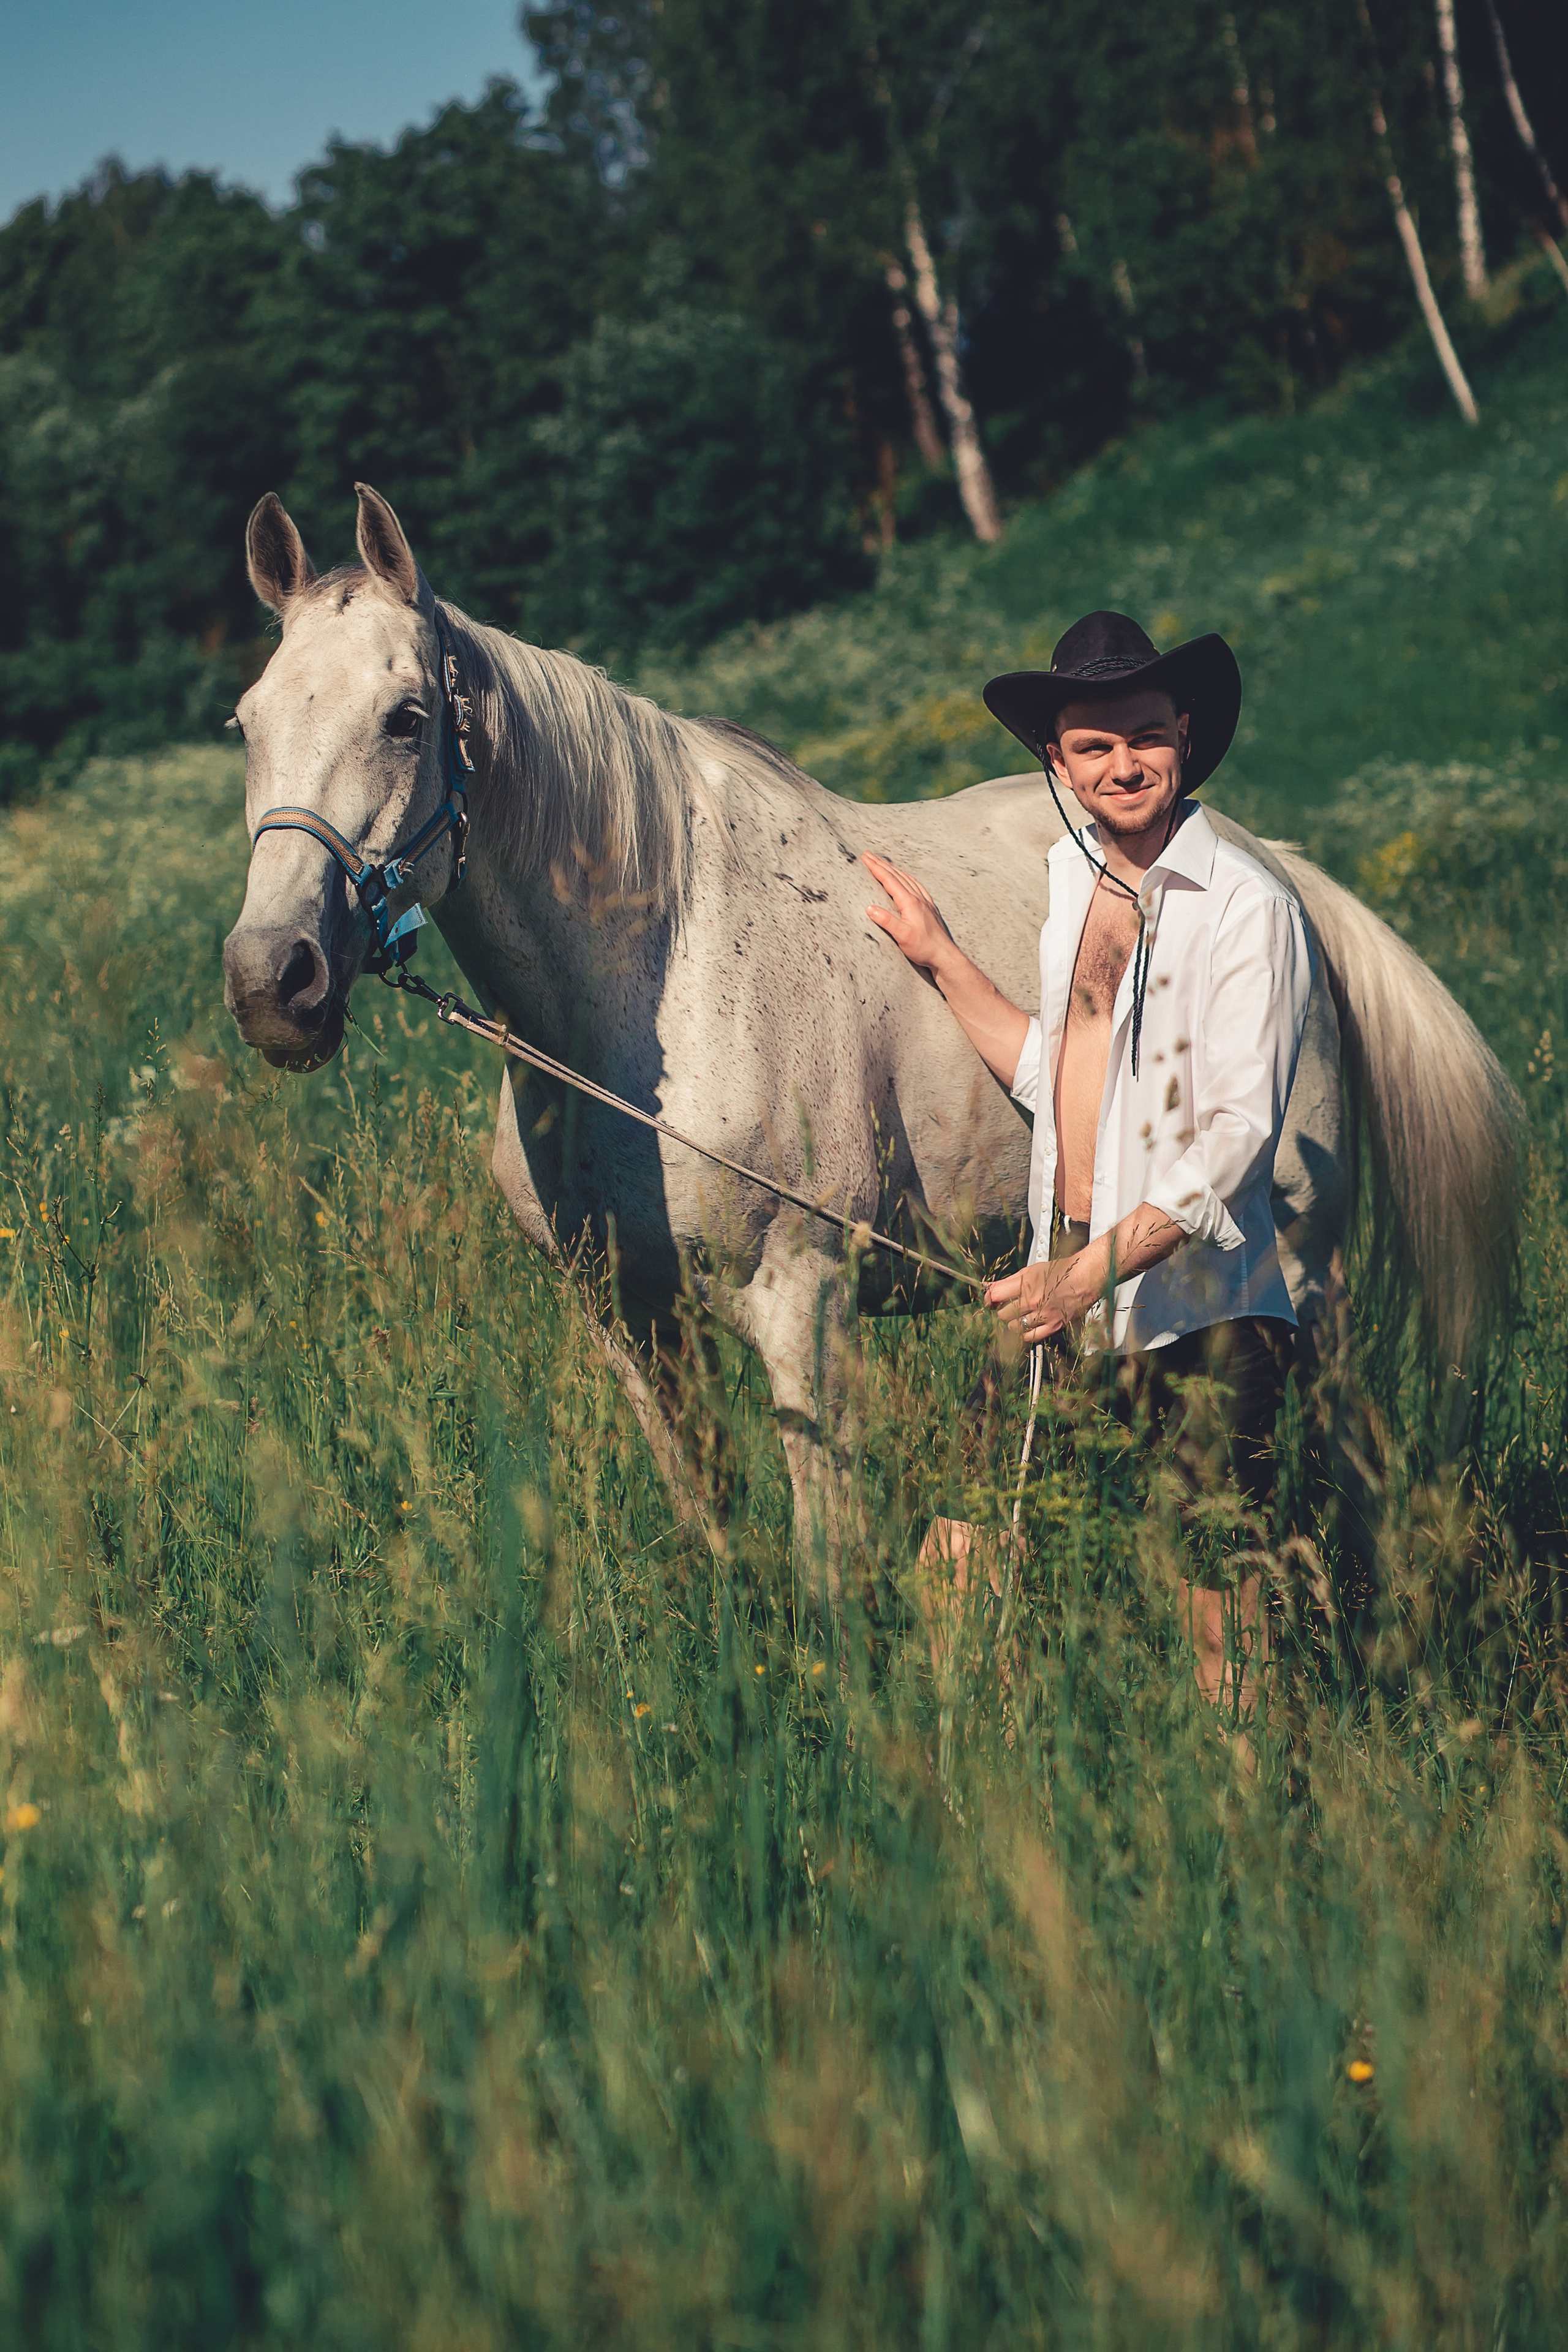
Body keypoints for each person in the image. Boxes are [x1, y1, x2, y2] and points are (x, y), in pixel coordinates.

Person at [862, 610, 1312, 1713]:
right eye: (1094, 745)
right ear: (1054, 762)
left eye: (1145, 735)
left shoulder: (1250, 908)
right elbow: (1061, 1085)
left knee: (1221, 1616)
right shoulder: (1079, 885)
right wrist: (940, 960)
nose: (1124, 765)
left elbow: (1234, 1148)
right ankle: (989, 1801)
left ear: (1185, 734)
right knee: (960, 1556)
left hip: (1197, 1308)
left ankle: (1243, 1837)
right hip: (1063, 1280)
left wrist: (1085, 1275)